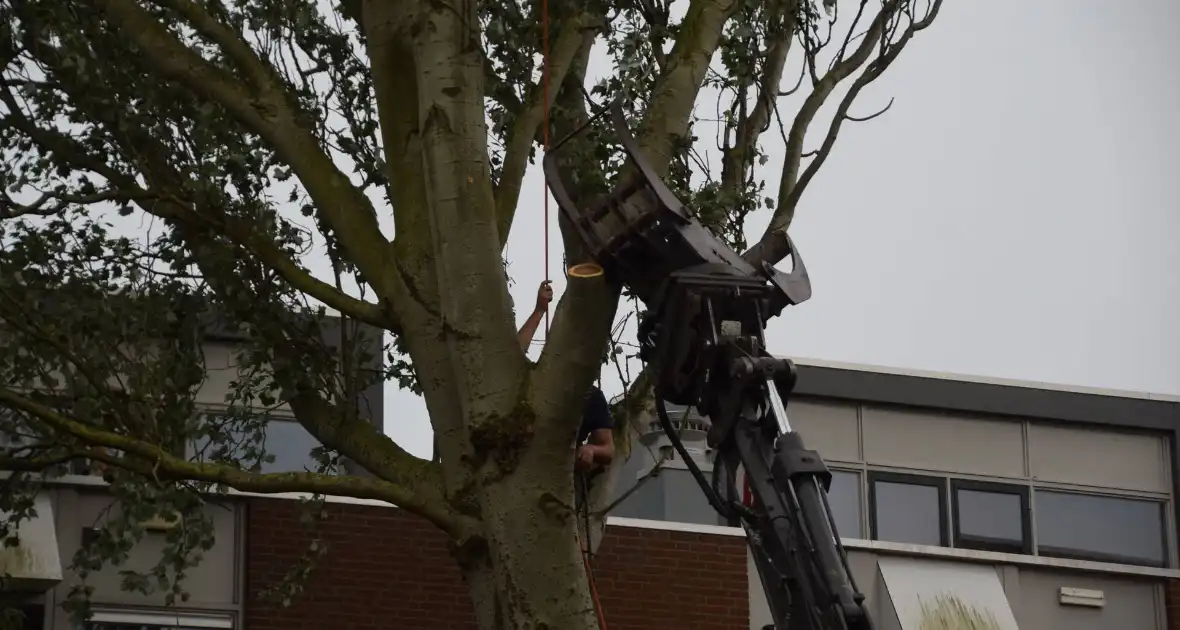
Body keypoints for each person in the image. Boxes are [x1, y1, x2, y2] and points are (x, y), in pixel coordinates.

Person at [517, 280, 615, 474]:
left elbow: (609, 449)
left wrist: (591, 449)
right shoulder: (534, 380)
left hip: (560, 477)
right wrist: (539, 311)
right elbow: (514, 353)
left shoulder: (591, 397)